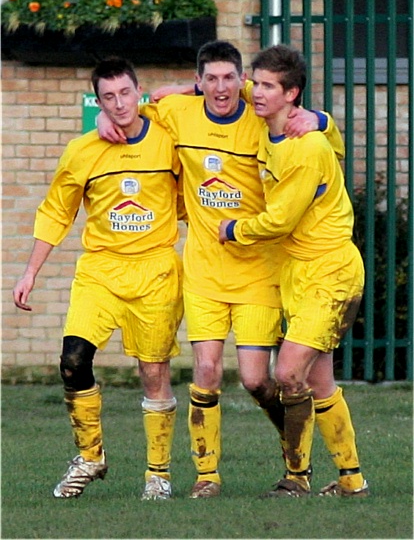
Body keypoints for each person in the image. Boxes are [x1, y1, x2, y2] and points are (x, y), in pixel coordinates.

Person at [98, 40, 342, 498]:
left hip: (257, 271)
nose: (221, 87)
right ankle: (207, 477)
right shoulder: (179, 114)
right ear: (199, 82)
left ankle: (295, 454)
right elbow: (132, 109)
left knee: (255, 379)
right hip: (205, 273)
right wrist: (102, 116)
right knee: (206, 370)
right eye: (210, 78)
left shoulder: (266, 115)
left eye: (230, 77)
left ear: (243, 81)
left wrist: (322, 119)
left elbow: (326, 135)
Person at [13, 57, 185, 501]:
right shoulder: (83, 150)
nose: (119, 103)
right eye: (108, 97)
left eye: (126, 93)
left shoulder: (168, 137)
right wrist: (30, 272)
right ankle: (90, 457)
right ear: (99, 102)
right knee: (72, 360)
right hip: (100, 271)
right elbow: (56, 211)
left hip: (155, 270)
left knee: (153, 371)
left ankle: (157, 475)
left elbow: (214, 94)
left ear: (138, 91)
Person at [219, 44, 369, 498]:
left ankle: (296, 477)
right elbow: (224, 85)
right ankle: (352, 481)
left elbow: (279, 221)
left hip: (331, 273)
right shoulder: (273, 116)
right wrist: (165, 92)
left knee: (286, 374)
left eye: (267, 87)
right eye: (256, 84)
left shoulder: (306, 147)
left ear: (292, 94)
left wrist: (233, 228)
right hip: (298, 272)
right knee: (318, 382)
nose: (255, 93)